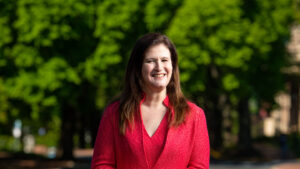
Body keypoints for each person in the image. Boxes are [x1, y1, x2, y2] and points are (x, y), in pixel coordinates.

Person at [91, 33, 210, 169]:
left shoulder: (194, 115)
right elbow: (102, 165)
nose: (159, 67)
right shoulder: (114, 113)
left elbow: (199, 167)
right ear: (138, 68)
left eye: (164, 60)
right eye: (150, 61)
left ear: (173, 65)